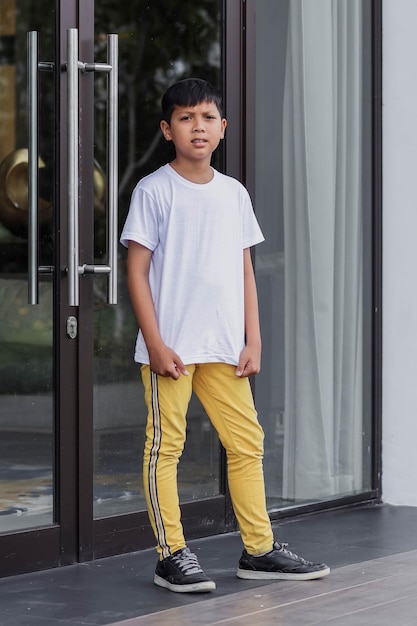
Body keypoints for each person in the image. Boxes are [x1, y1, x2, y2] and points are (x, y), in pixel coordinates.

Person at [120, 78, 330, 594]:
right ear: (168, 129)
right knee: (164, 448)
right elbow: (136, 272)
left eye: (208, 118)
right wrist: (157, 343)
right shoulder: (154, 189)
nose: (198, 127)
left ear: (223, 129)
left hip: (222, 348)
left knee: (247, 443)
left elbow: (245, 272)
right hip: (171, 349)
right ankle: (171, 554)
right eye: (187, 118)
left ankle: (258, 549)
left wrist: (252, 339)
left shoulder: (233, 193)